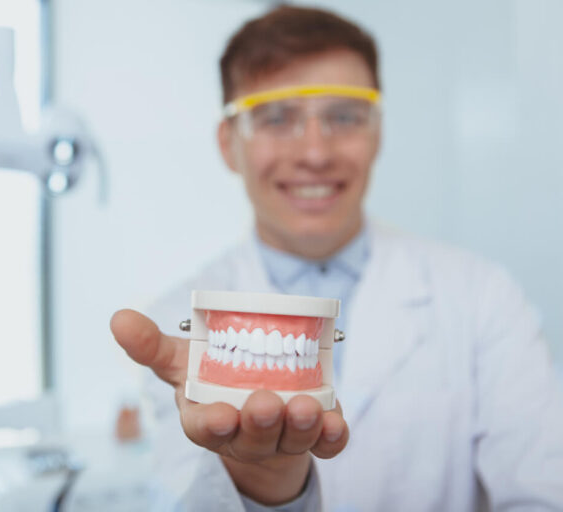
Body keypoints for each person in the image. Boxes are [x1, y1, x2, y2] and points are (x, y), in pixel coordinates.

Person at [110, 6, 563, 511]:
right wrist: (261, 484)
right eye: (276, 118)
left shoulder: (482, 298)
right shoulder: (181, 323)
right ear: (228, 145)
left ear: (377, 133)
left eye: (344, 117)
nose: (315, 152)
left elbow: (543, 495)